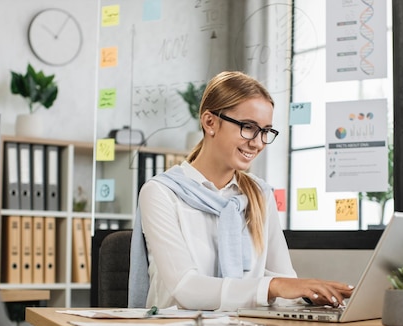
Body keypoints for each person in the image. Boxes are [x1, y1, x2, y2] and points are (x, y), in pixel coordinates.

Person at [129, 70, 354, 311]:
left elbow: (285, 282)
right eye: (248, 127)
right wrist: (272, 286)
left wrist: (309, 296)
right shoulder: (161, 193)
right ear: (210, 122)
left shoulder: (260, 195)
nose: (257, 142)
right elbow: (186, 289)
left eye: (266, 131)